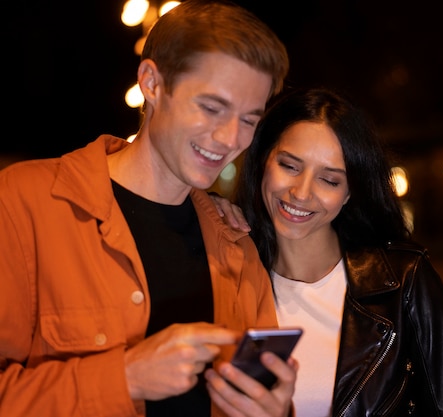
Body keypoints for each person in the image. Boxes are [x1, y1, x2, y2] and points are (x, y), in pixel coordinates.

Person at [0, 1, 297, 416]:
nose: (231, 138)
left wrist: (275, 410)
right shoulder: (23, 202)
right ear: (152, 83)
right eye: (212, 108)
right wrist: (125, 378)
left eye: (249, 119)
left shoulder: (237, 246)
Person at [213, 87, 443, 416]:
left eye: (329, 180)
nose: (301, 193)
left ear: (350, 192)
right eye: (290, 166)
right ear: (263, 159)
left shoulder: (403, 283)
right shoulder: (226, 273)